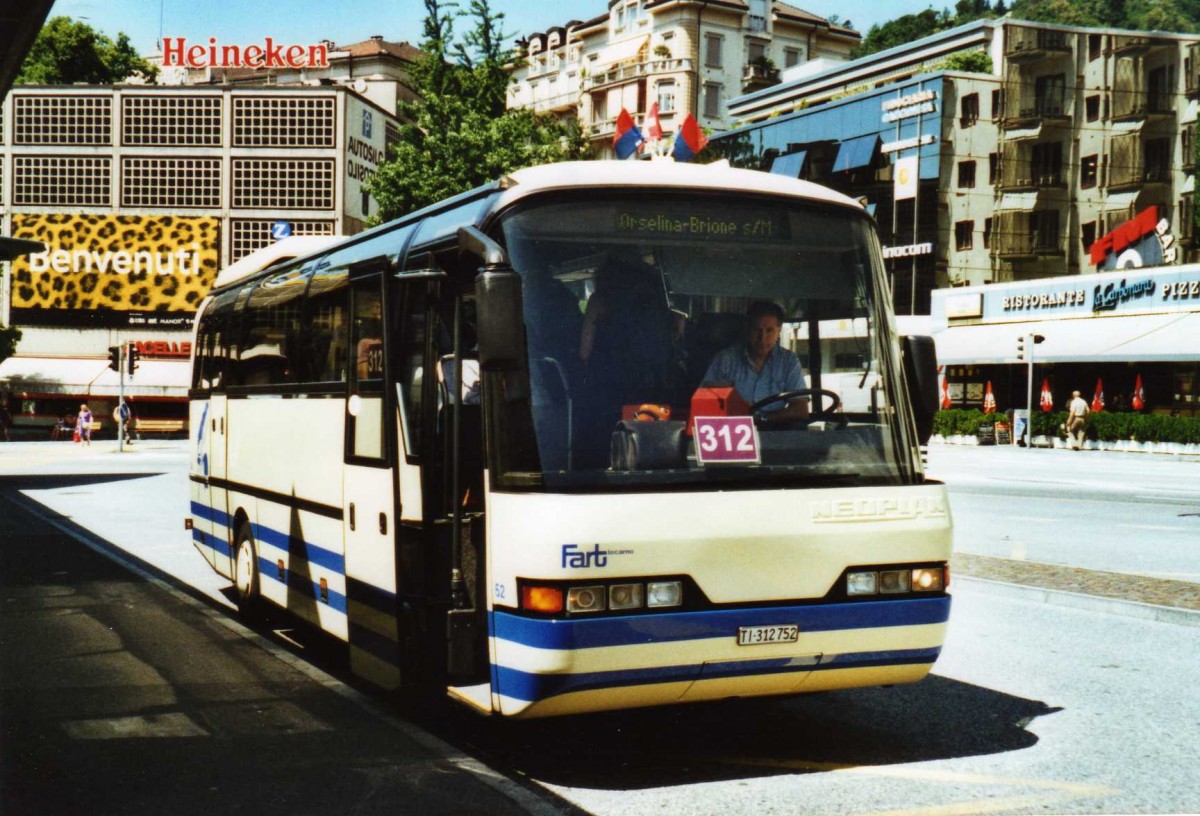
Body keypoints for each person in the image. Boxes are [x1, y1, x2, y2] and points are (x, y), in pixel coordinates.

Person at [702, 300, 810, 423]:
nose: (762, 338)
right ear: (748, 330)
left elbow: (801, 410)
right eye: (757, 330)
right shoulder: (725, 360)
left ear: (779, 331)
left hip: (776, 432)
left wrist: (761, 419)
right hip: (732, 430)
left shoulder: (789, 362)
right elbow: (705, 404)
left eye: (769, 330)